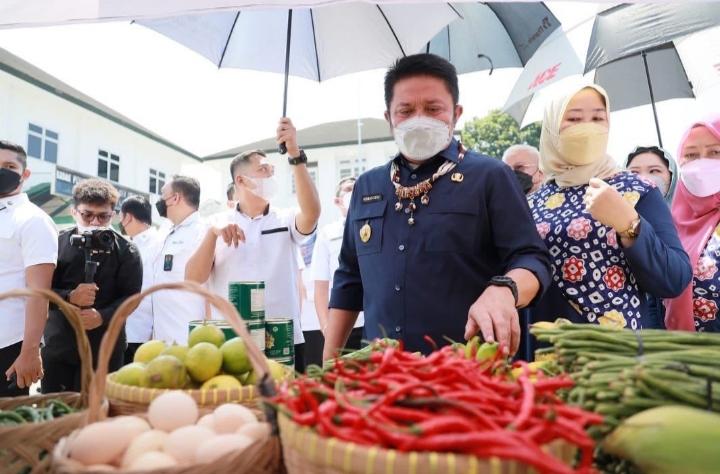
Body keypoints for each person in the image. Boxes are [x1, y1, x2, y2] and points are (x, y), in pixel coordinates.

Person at [323, 54, 552, 359]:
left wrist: (505, 289)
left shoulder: (490, 176)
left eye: (433, 109)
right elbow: (349, 279)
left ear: (456, 113)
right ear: (389, 118)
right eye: (405, 110)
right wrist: (327, 365)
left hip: (470, 371)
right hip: (381, 377)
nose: (420, 119)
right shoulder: (368, 186)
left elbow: (533, 259)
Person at [528, 85, 691, 334]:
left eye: (597, 118)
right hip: (546, 348)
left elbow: (675, 278)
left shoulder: (636, 189)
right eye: (574, 119)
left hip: (617, 353)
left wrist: (630, 224)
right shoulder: (533, 202)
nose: (587, 127)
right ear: (551, 126)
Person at [186, 118, 321, 373]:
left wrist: (295, 154)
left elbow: (312, 213)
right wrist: (213, 235)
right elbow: (192, 279)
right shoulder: (214, 224)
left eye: (271, 169)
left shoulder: (285, 218)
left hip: (282, 337)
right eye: (263, 170)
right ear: (241, 180)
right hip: (230, 342)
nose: (270, 174)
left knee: (286, 409)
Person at [43, 179, 142, 392]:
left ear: (113, 215)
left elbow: (132, 297)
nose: (95, 222)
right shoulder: (55, 243)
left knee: (101, 416)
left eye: (103, 216)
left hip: (106, 349)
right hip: (60, 346)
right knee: (56, 415)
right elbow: (39, 290)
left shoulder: (127, 250)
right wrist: (69, 297)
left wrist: (102, 316)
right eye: (87, 215)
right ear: (74, 212)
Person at [0, 141, 57, 396]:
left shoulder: (33, 219)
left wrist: (30, 351)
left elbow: (40, 293)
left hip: (8, 345)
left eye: (9, 166)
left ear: (25, 174)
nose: (2, 171)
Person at [665, 117, 720, 332]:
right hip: (682, 357)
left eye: (715, 152)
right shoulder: (670, 225)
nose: (701, 163)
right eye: (691, 155)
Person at [310, 177, 364, 366]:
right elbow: (321, 287)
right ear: (337, 200)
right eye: (348, 189)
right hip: (341, 327)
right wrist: (327, 327)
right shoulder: (327, 234)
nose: (353, 192)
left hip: (369, 324)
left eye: (356, 188)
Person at [151, 176, 207, 345]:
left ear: (175, 198)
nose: (159, 200)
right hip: (161, 336)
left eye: (162, 195)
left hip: (189, 338)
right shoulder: (165, 231)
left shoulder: (202, 231)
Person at [118, 195, 162, 363]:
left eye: (121, 218)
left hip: (143, 334)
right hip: (131, 330)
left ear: (128, 217)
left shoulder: (156, 244)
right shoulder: (133, 243)